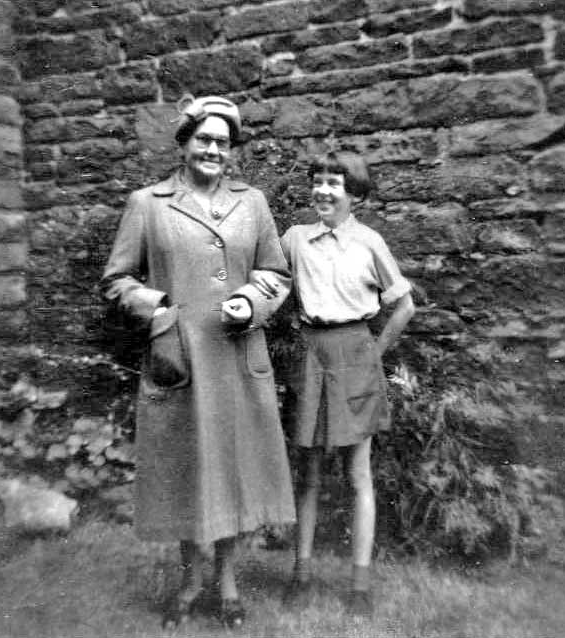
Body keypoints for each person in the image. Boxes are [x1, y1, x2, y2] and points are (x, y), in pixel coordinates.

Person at [102, 95, 295, 629]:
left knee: (235, 470)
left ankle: (228, 582)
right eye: (204, 139)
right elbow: (118, 280)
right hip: (180, 358)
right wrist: (159, 309)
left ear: (233, 151)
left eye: (224, 142)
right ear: (184, 143)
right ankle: (190, 580)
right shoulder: (149, 203)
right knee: (187, 471)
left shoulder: (252, 203)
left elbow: (275, 273)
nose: (214, 149)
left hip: (237, 355)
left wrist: (251, 302)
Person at [254, 151, 415, 617]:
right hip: (311, 355)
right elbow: (270, 286)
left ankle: (360, 584)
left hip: (355, 353)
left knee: (358, 474)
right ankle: (300, 574)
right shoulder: (295, 239)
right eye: (318, 181)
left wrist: (374, 354)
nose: (323, 190)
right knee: (308, 472)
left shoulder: (369, 242)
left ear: (355, 195)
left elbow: (403, 306)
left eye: (335, 183)